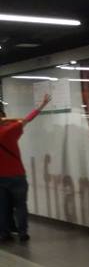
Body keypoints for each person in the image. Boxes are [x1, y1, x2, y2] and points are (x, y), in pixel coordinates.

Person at [0, 94, 51, 242]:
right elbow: (27, 119)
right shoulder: (10, 130)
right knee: (21, 205)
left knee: (3, 207)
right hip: (17, 175)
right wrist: (42, 105)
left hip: (0, 178)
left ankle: (5, 234)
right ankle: (23, 233)